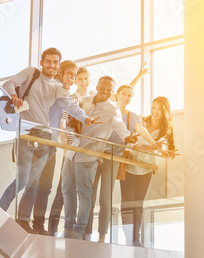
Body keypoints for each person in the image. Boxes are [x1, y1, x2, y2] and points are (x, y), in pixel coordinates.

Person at [0, 48, 99, 232]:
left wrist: (86, 118)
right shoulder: (31, 73)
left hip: (43, 136)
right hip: (26, 132)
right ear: (42, 62)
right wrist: (14, 96)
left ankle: (23, 221)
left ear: (58, 65)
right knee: (22, 178)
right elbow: (9, 83)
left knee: (35, 182)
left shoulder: (57, 87)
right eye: (49, 61)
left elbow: (69, 104)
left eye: (55, 62)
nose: (52, 65)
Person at [85, 62, 161, 242]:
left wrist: (154, 144)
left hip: (113, 157)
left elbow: (140, 129)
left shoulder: (131, 116)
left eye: (130, 96)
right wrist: (138, 77)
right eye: (123, 94)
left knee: (105, 198)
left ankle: (103, 235)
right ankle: (85, 232)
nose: (127, 97)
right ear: (115, 94)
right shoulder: (107, 106)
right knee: (89, 195)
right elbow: (124, 89)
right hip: (95, 154)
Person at [61, 76, 137, 240]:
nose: (106, 91)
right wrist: (70, 122)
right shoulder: (86, 101)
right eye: (103, 87)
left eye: (110, 89)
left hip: (89, 156)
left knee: (85, 195)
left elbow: (119, 125)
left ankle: (78, 231)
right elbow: (72, 120)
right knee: (67, 190)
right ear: (97, 86)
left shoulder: (112, 110)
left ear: (113, 91)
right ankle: (67, 227)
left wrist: (127, 137)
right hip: (72, 152)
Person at [31, 62, 99, 235]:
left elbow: (114, 99)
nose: (84, 81)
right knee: (64, 189)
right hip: (71, 151)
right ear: (75, 81)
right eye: (80, 79)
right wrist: (67, 150)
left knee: (86, 191)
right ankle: (53, 227)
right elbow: (62, 124)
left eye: (86, 78)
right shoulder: (71, 99)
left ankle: (85, 230)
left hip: (87, 153)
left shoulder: (93, 99)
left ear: (90, 80)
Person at [120, 96, 178, 246]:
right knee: (127, 203)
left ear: (165, 112)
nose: (155, 111)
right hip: (130, 164)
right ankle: (128, 237)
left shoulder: (164, 130)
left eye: (159, 109)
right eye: (153, 107)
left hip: (146, 169)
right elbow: (129, 141)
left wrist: (165, 152)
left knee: (138, 204)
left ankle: (135, 239)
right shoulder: (139, 121)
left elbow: (162, 149)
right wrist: (148, 147)